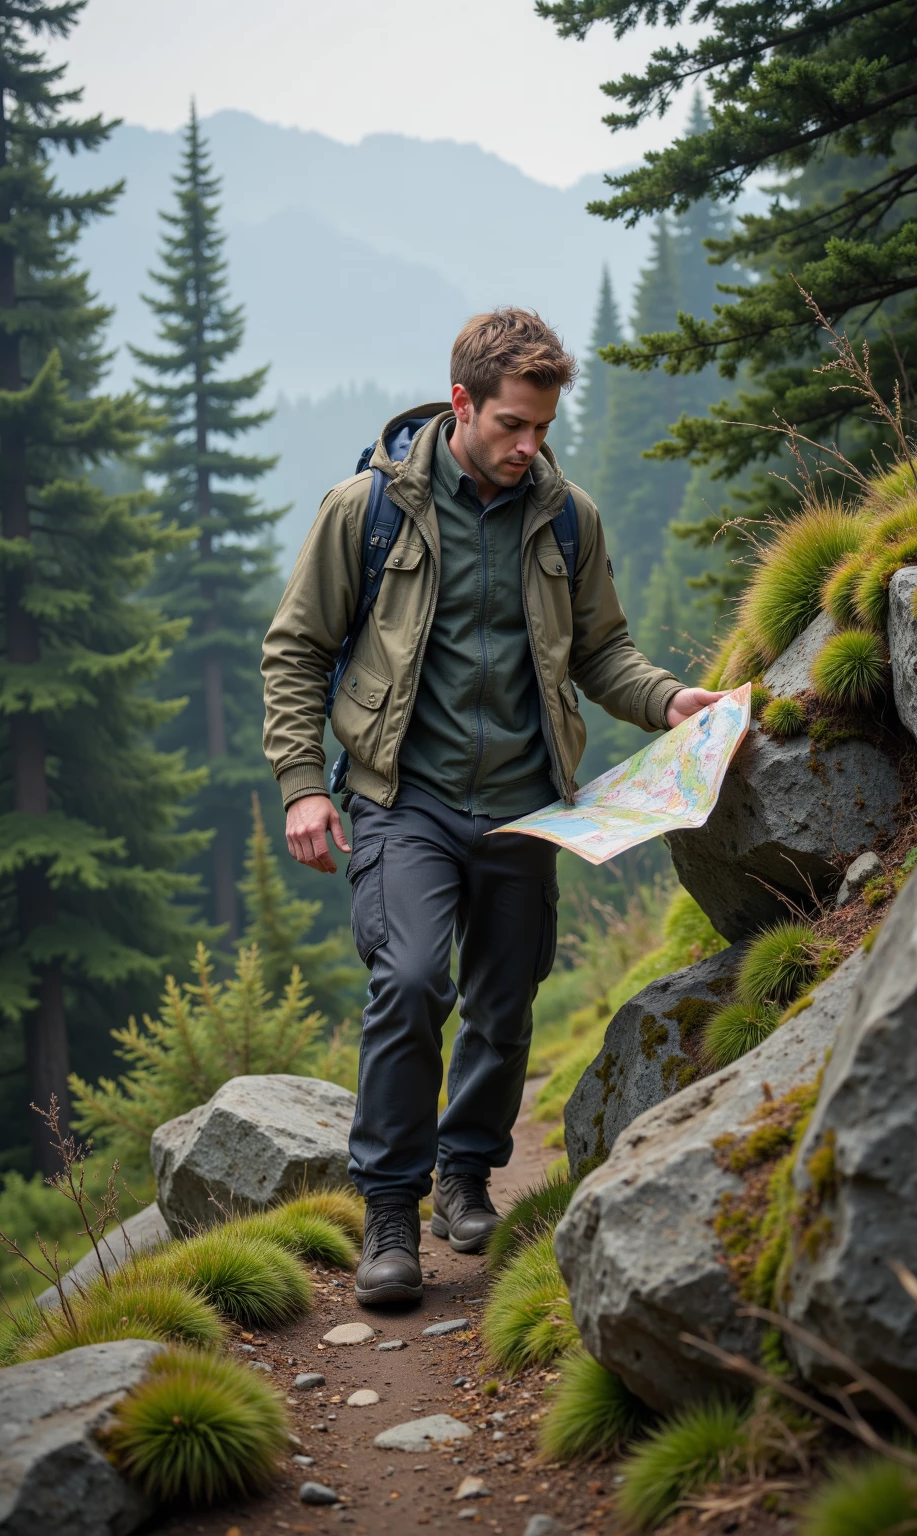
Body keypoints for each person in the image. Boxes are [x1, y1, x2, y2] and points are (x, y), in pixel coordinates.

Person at [262, 308, 724, 1306]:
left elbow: (602, 651)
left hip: (526, 806)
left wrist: (668, 701)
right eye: (513, 424)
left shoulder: (566, 517)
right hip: (404, 800)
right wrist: (302, 784)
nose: (529, 446)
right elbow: (296, 649)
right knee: (411, 980)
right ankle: (390, 1212)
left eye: (543, 428)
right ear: (461, 403)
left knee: (506, 1000)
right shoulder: (368, 509)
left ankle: (466, 1176)